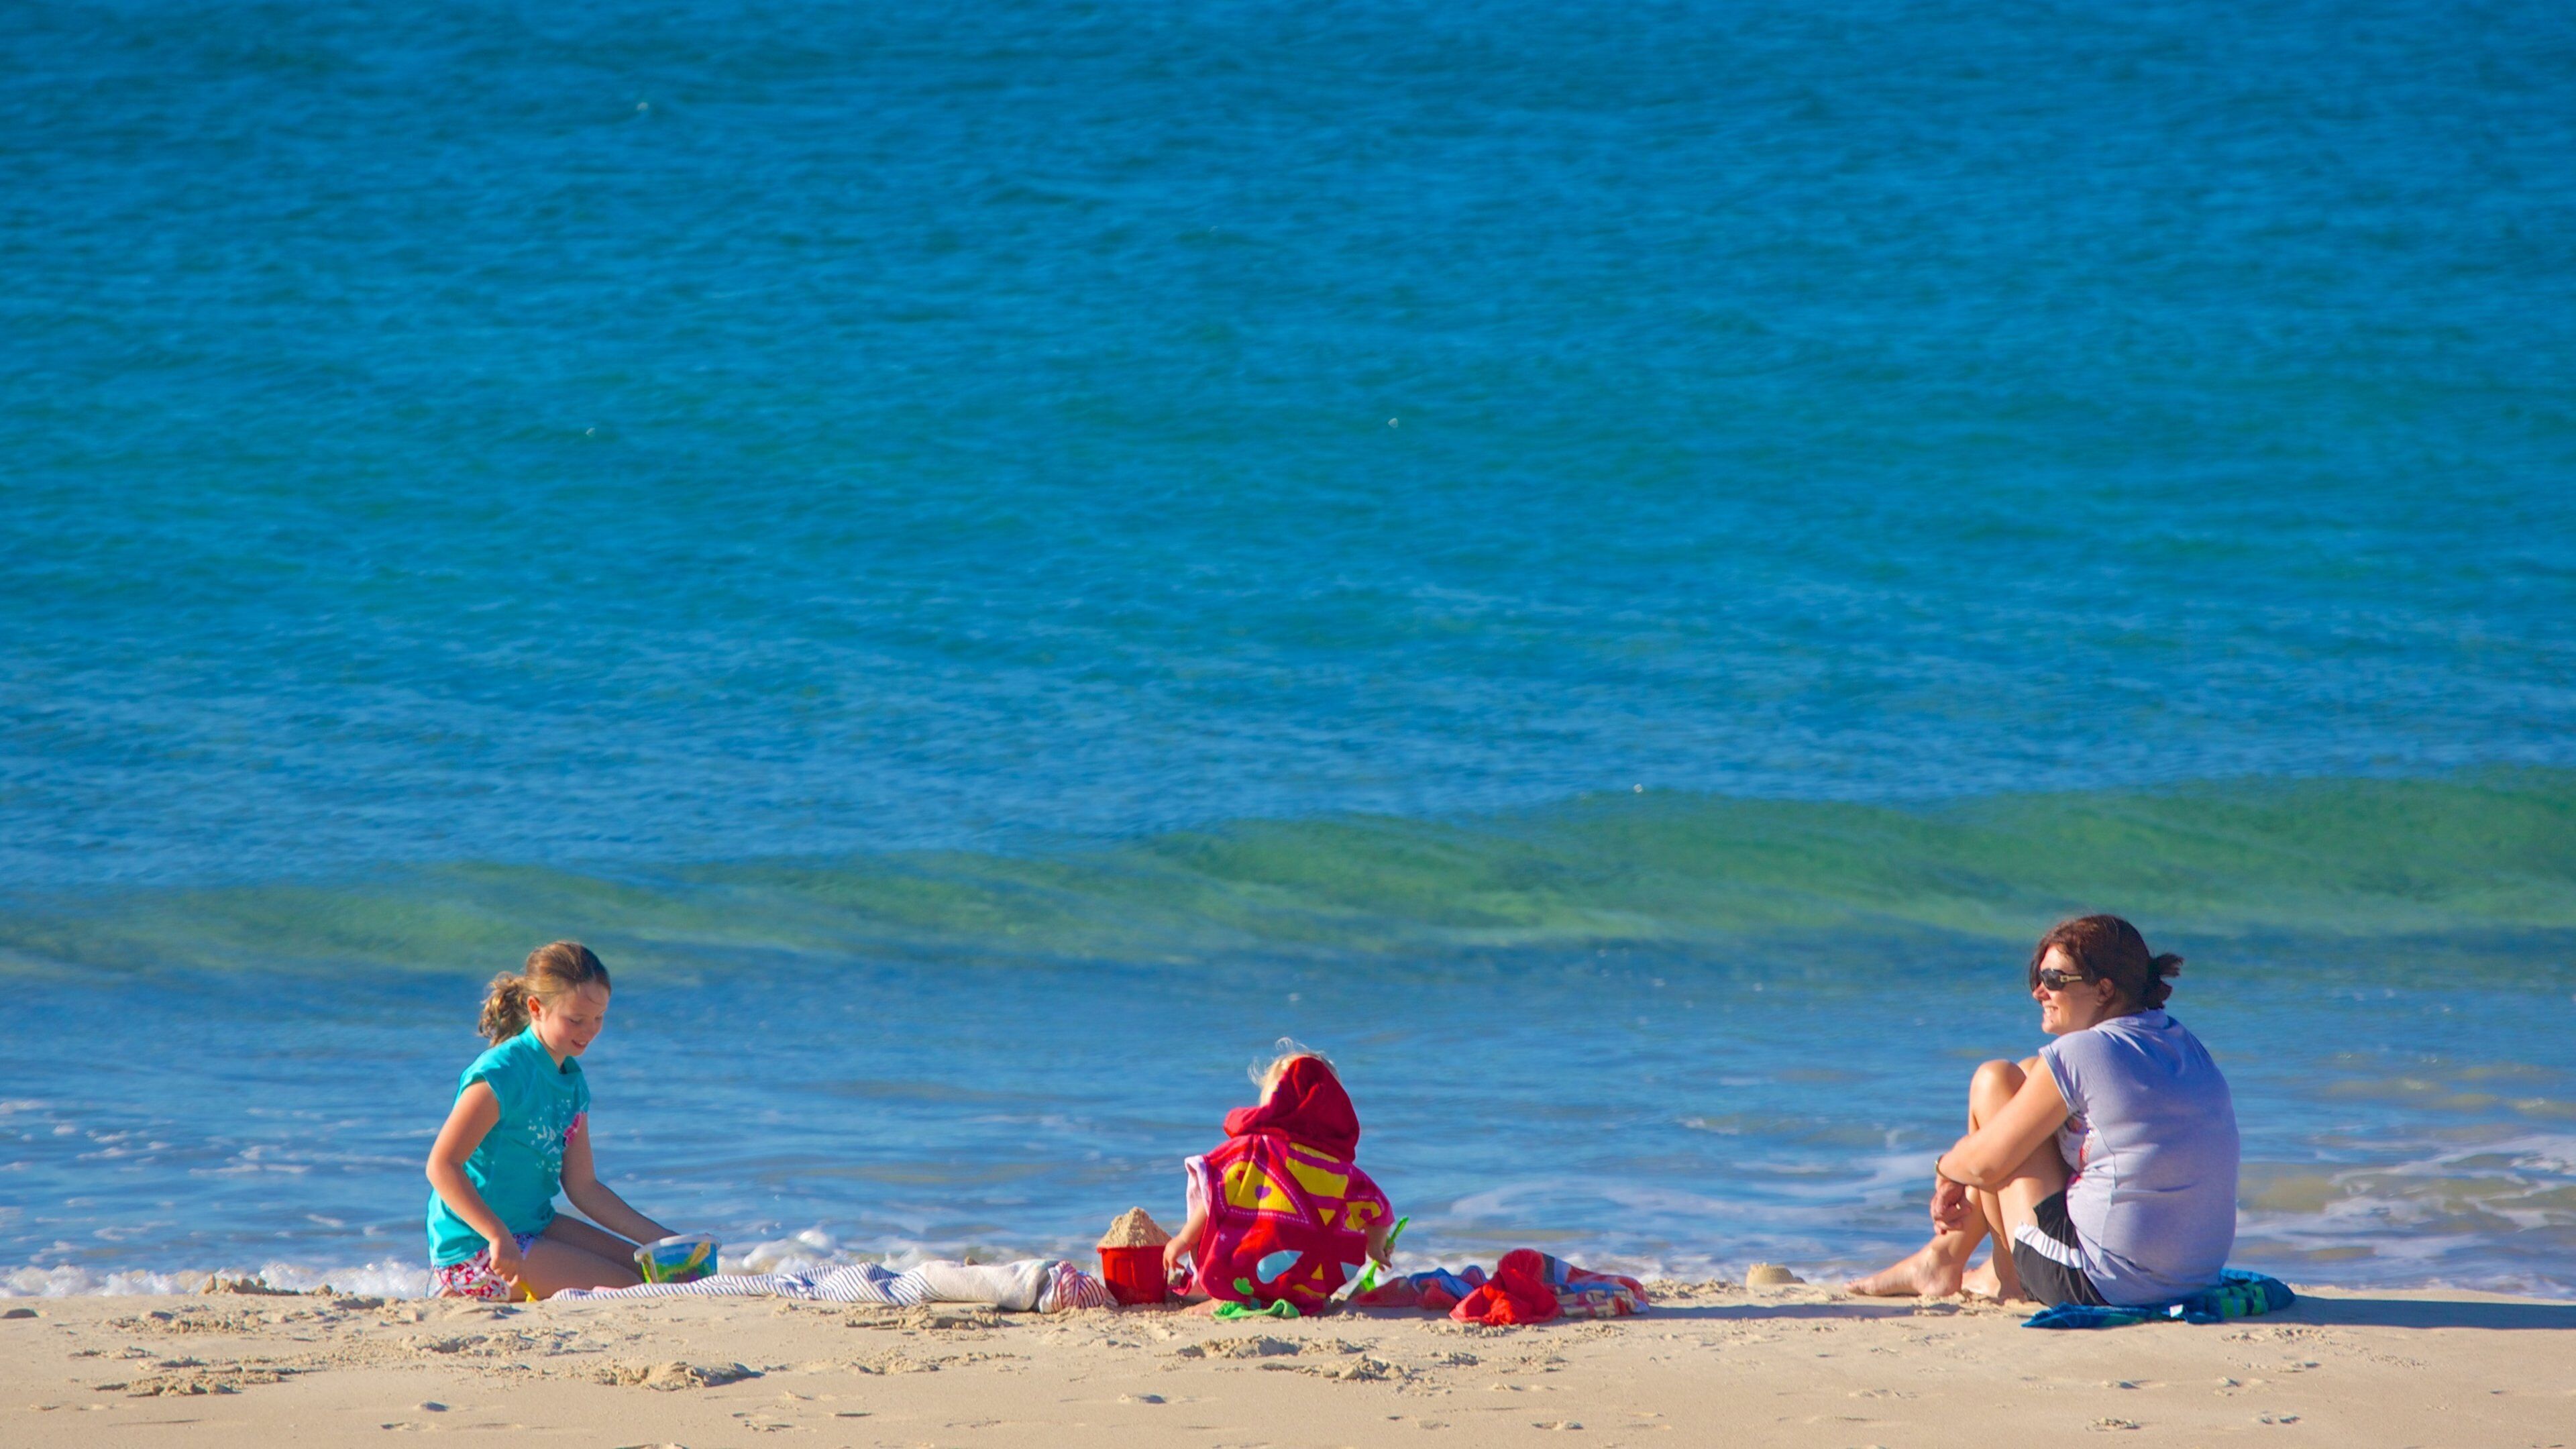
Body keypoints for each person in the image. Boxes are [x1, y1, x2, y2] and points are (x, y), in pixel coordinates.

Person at [1846, 915, 2239, 1306]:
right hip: (2194, 1279)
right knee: (2031, 1077)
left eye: (2053, 980)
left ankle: (1995, 1274)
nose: (2038, 992)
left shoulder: (2082, 1052)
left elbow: (1985, 1166)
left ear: (2103, 990)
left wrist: (1945, 1168)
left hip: (2099, 1285)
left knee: (1994, 1081)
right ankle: (1949, 1260)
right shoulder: (2181, 1041)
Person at [424, 942, 678, 1299]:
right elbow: (442, 1165)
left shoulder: (571, 1083)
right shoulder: (502, 1073)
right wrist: (497, 1234)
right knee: (631, 1293)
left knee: (655, 1274)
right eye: (576, 1019)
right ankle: (461, 1290)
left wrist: (663, 1239)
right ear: (536, 1008)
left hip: (534, 1226)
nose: (589, 1030)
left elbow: (584, 1186)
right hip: (478, 1247)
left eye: (599, 1018)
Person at [1163, 1043, 1395, 1314]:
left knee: (1229, 1204)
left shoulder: (1252, 1149)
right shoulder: (1341, 1171)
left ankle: (1229, 1296)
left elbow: (1214, 1193)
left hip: (1250, 1271)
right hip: (1313, 1286)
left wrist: (1183, 1240)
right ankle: (1296, 1298)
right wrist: (1376, 1247)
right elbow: (1379, 1209)